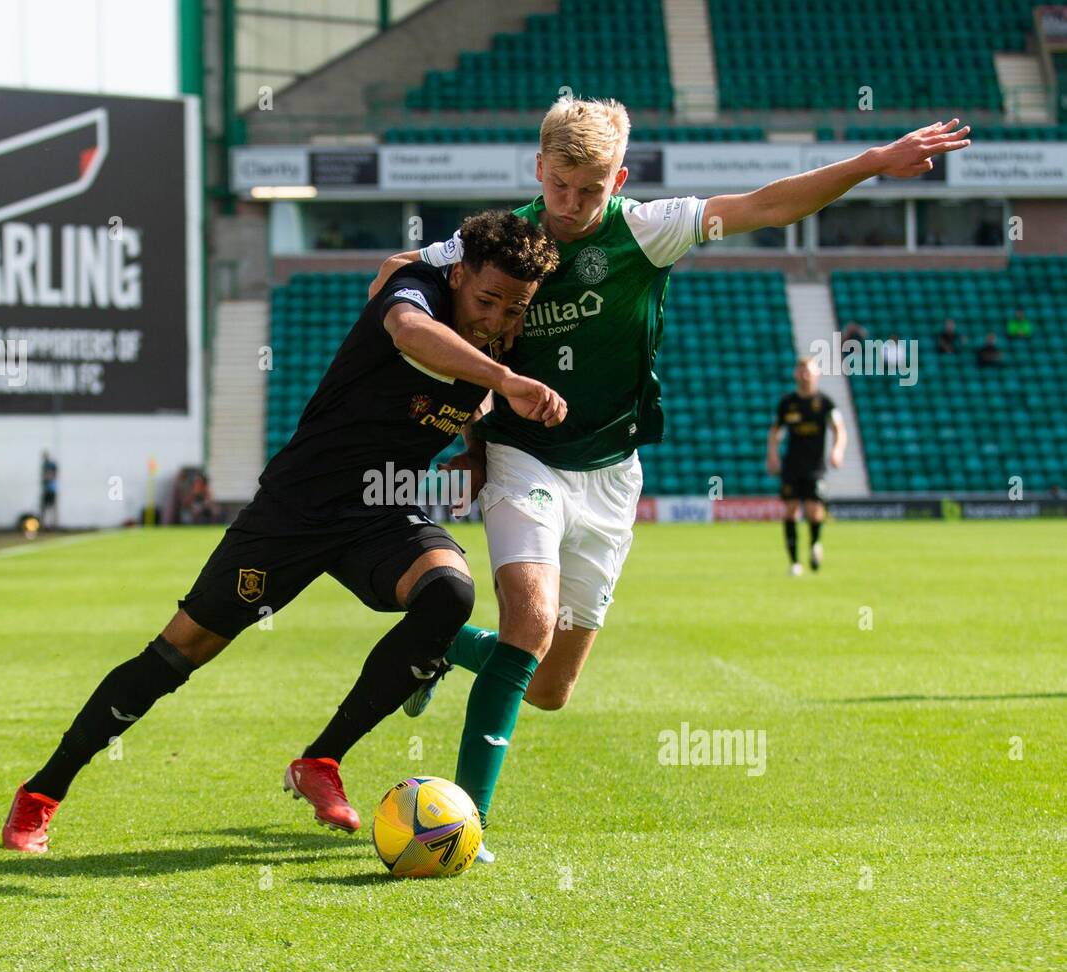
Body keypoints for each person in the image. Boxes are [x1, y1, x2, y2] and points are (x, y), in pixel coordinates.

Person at [365, 99, 969, 861]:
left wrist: (873, 162)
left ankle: (445, 644)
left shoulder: (646, 229)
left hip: (614, 474)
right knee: (530, 625)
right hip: (525, 457)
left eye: (591, 191)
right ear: (539, 171)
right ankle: (464, 827)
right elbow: (398, 276)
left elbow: (766, 204)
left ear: (617, 180)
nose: (574, 208)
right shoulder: (498, 241)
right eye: (560, 188)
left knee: (549, 686)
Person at [1, 211, 565, 852]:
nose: (498, 321)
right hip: (297, 508)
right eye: (488, 301)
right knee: (180, 652)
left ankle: (320, 762)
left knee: (449, 595)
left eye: (515, 309)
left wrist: (477, 448)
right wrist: (507, 379)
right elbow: (412, 335)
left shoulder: (501, 335)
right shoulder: (418, 293)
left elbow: (475, 396)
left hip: (383, 506)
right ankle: (42, 792)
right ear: (458, 274)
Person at [767, 357, 846, 575]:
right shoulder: (787, 403)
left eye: (808, 371)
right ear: (795, 374)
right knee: (791, 510)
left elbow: (839, 429)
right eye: (801, 371)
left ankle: (814, 544)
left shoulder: (825, 403)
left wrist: (837, 450)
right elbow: (775, 431)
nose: (804, 375)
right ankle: (794, 562)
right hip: (792, 466)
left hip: (815, 467)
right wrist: (772, 454)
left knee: (814, 511)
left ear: (816, 374)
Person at [39, 451, 58, 529]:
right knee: (44, 508)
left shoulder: (51, 465)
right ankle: (43, 524)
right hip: (46, 490)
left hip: (51, 490)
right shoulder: (44, 465)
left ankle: (53, 524)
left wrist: (47, 477)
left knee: (52, 508)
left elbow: (52, 476)